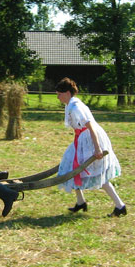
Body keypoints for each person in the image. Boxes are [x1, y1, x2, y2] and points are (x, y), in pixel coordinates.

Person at [55, 78, 126, 217]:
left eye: (59, 94)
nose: (58, 97)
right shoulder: (70, 105)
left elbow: (91, 126)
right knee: (71, 167)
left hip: (90, 141)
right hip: (82, 139)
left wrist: (97, 148)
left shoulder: (76, 107)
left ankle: (120, 206)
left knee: (98, 173)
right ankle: (81, 202)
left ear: (67, 93)